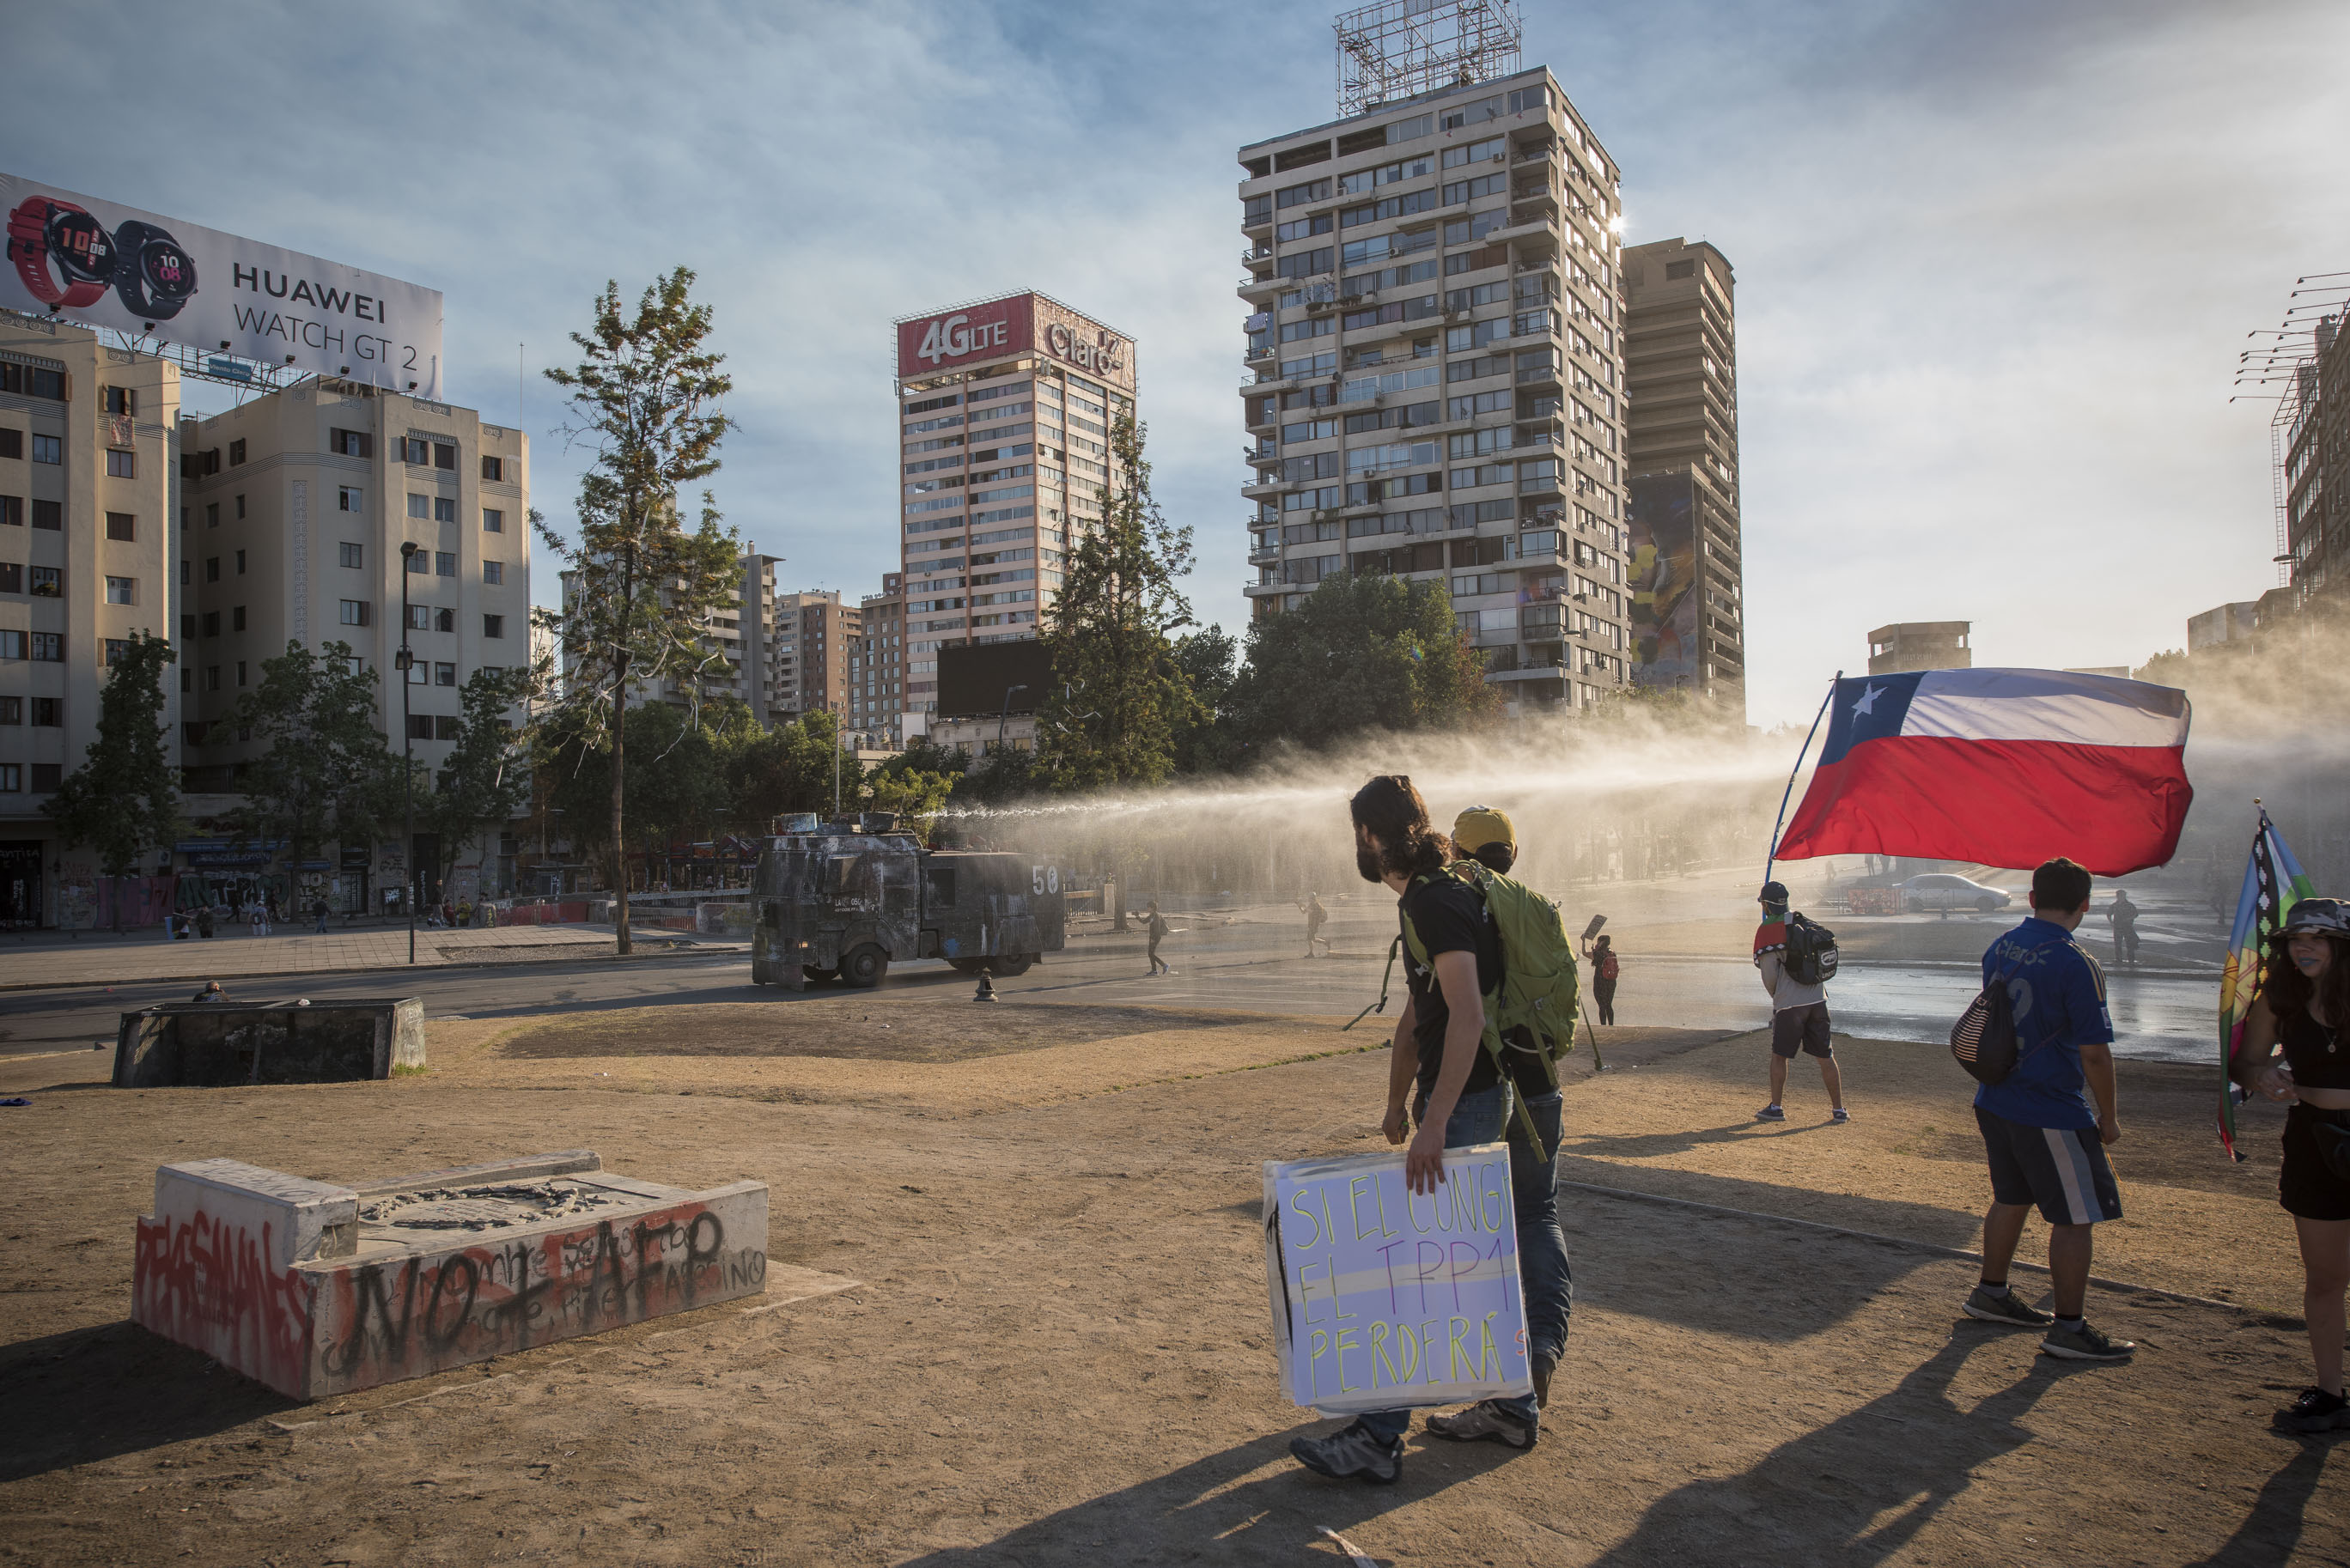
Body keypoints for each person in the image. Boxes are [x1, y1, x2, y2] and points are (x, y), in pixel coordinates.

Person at [1289, 776, 1516, 1486]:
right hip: (1467, 1098)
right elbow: (1420, 1016)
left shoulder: (1434, 899)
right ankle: (1518, 1405)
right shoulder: (1433, 896)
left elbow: (1467, 1016)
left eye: (1360, 831)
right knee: (1471, 1265)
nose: (1356, 844)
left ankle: (1379, 1438)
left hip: (1469, 1102)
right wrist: (1397, 1102)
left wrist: (1435, 1120)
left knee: (1416, 1273)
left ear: (1374, 834)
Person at [1418, 805, 1570, 1452]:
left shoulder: (1467, 897)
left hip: (1493, 1085)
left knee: (1477, 1237)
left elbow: (1463, 1006)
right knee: (1538, 1213)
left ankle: (1506, 1392)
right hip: (1543, 1086)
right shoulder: (1535, 901)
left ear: (1459, 848)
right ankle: (1541, 1348)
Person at [1961, 856, 2135, 1362]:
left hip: (1996, 1099)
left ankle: (1990, 1292)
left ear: (2032, 898)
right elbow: (2095, 1053)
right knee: (2076, 1218)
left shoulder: (2001, 946)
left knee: (2010, 1198)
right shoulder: (2076, 962)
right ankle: (2069, 1328)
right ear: (2085, 905)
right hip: (2050, 1107)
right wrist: (2109, 1116)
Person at [2237, 896, 2350, 1431]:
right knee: (2325, 1278)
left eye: (2317, 939)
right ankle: (2330, 1395)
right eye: (2295, 941)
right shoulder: (2280, 998)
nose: (2303, 948)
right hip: (2314, 1146)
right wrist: (2261, 1076)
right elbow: (2247, 1061)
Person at [1752, 880, 1847, 1122]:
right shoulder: (1801, 920)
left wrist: (1778, 1000)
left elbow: (1769, 976)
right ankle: (1838, 1110)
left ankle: (1776, 1107)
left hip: (1790, 1004)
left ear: (1765, 904)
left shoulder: (1767, 931)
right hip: (1818, 999)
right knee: (1826, 1056)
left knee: (1779, 1056)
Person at [2106, 889, 2141, 969]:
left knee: (2130, 944)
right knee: (2118, 944)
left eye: (2122, 895)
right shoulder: (2114, 905)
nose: (2120, 897)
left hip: (2127, 927)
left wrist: (2129, 919)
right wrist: (2111, 922)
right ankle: (2119, 960)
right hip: (2117, 927)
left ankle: (2131, 960)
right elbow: (2108, 914)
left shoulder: (2129, 905)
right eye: (2119, 895)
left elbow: (2135, 914)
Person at [1589, 934, 1619, 1025]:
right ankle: (1611, 1025)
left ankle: (1603, 1026)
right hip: (1612, 981)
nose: (1597, 943)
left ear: (1602, 942)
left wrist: (1583, 942)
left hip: (1600, 981)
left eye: (1598, 941)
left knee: (1602, 1006)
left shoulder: (1598, 953)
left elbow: (1585, 953)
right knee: (1609, 1005)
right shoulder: (1612, 953)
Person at [1145, 901, 1172, 975]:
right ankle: (1154, 971)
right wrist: (1137, 916)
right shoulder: (1152, 915)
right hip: (1153, 937)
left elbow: (1157, 929)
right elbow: (1144, 921)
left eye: (1148, 907)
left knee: (1151, 954)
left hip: (1156, 937)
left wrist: (1153, 938)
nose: (1147, 908)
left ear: (1152, 908)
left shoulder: (1156, 916)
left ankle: (1164, 965)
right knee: (1151, 954)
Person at [1304, 891, 1330, 957]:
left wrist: (1304, 907)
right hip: (1311, 924)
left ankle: (1311, 953)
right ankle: (1325, 942)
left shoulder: (1317, 905)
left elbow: (1310, 911)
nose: (1309, 899)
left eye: (1310, 898)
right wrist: (1299, 905)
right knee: (1313, 938)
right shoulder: (1311, 904)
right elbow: (1304, 912)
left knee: (1310, 938)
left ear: (1313, 898)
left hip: (1315, 924)